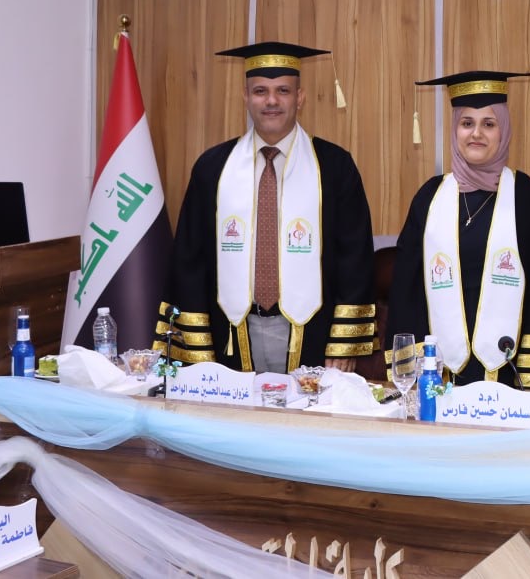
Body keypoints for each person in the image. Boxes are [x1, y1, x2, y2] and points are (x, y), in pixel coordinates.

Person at [160, 42, 376, 373]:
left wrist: (343, 342)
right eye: (260, 91)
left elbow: (354, 257)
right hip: (230, 331)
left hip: (313, 334)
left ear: (300, 98)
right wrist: (197, 347)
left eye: (283, 91)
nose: (271, 101)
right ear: (245, 97)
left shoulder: (334, 167)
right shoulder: (213, 168)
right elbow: (190, 260)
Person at [383, 71, 530, 390]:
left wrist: (529, 382)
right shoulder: (429, 198)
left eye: (489, 124)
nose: (476, 134)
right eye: (467, 123)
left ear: (504, 130)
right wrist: (415, 373)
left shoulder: (528, 200)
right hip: (438, 375)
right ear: (454, 129)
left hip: (510, 376)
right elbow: (407, 291)